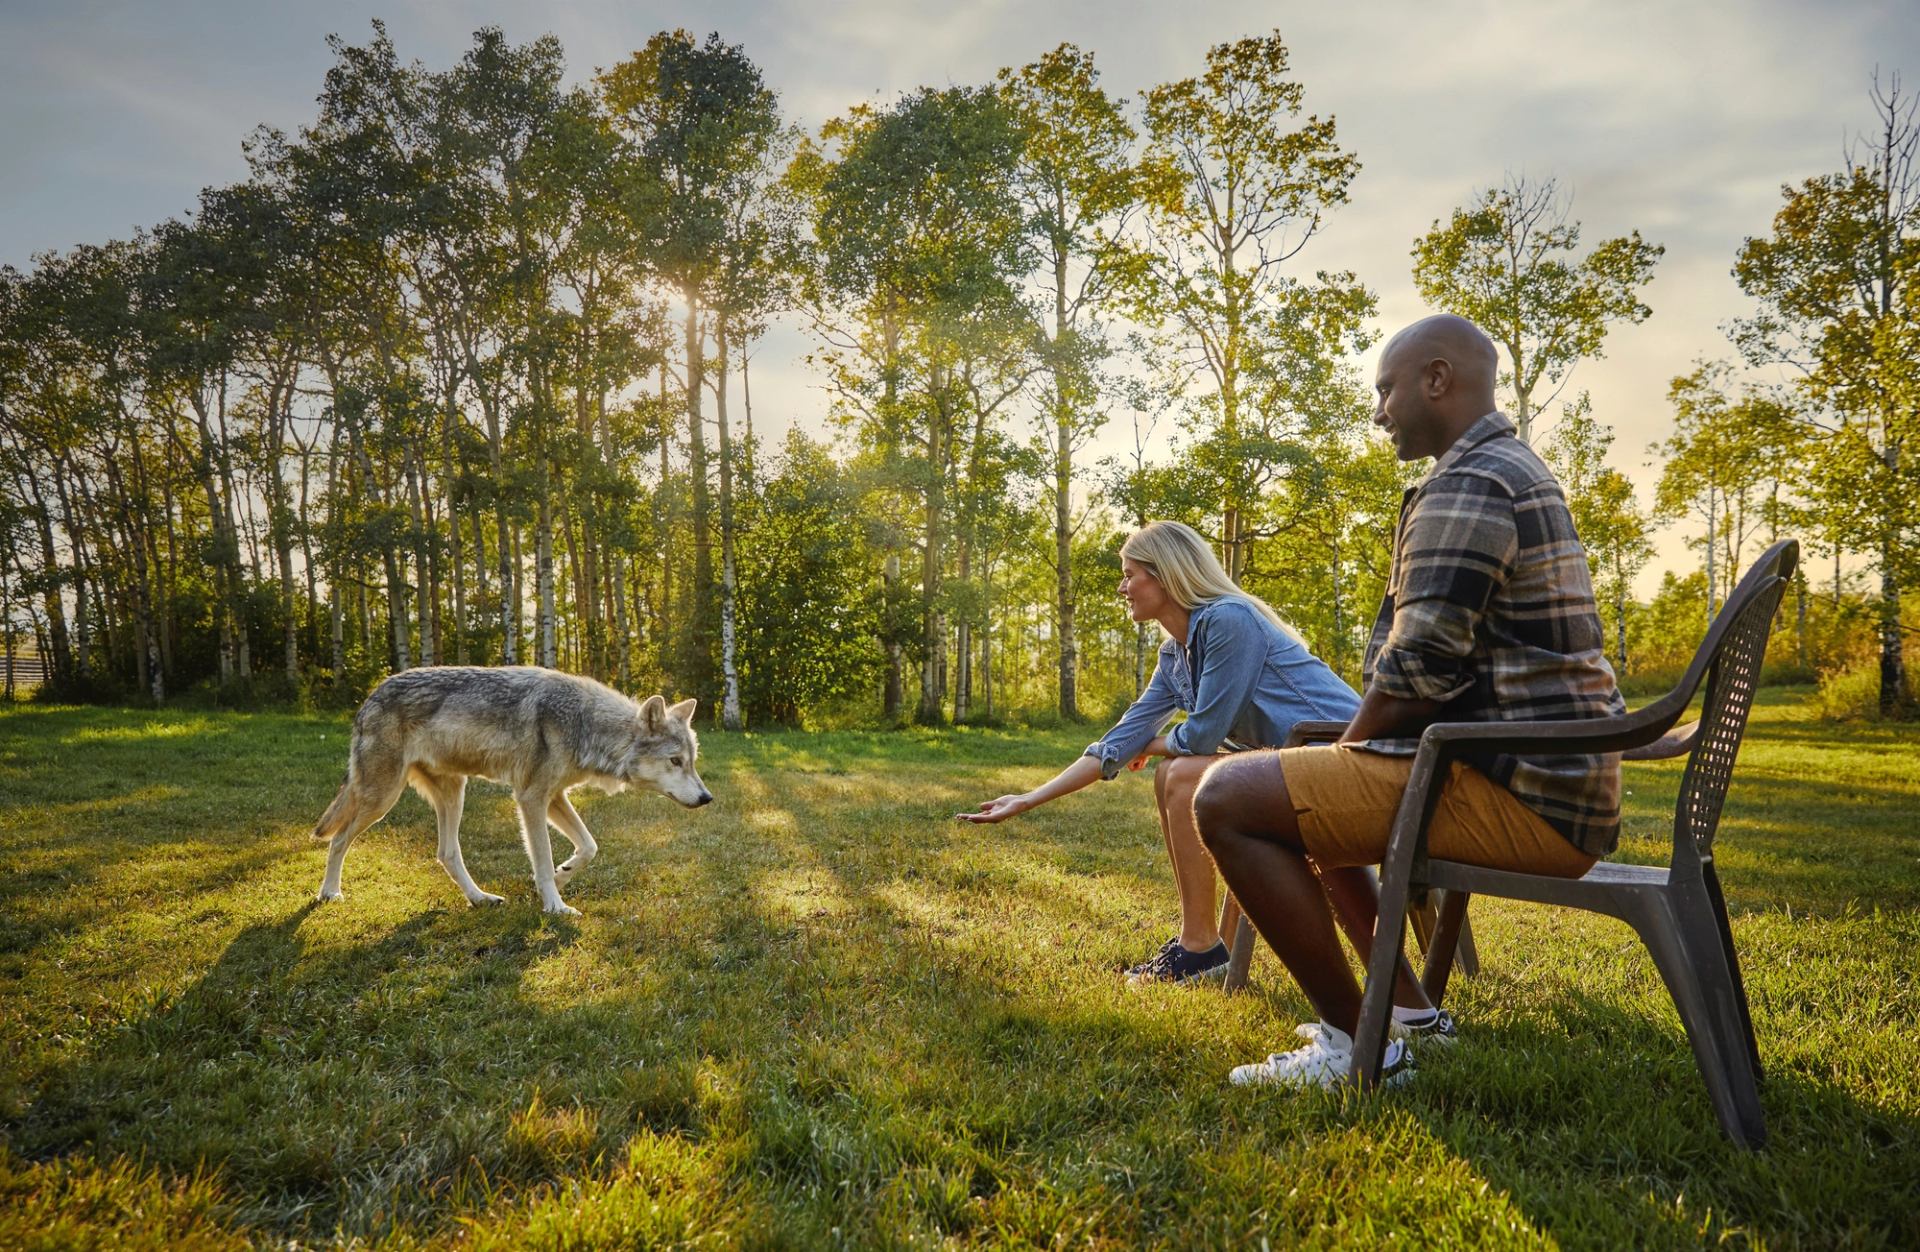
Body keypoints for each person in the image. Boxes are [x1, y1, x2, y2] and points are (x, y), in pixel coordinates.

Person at [1192, 313, 1628, 1088]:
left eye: (1386, 389)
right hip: (1542, 777)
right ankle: (1410, 1011)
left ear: (1437, 379)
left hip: (1520, 792)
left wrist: (1349, 752)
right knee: (1297, 778)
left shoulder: (1471, 481)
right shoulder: (1511, 469)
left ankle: (1360, 1051)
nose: (1378, 410)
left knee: (1226, 796)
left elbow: (1418, 668)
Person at [956, 520, 1361, 984]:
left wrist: (1152, 744)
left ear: (1166, 575)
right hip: (1293, 765)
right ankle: (1201, 944)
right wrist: (1027, 799)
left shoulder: (1229, 620)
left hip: (1347, 764)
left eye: (1130, 574)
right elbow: (1118, 740)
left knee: (1185, 771)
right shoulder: (1175, 655)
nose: (1121, 586)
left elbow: (1201, 736)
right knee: (1174, 774)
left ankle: (1200, 949)